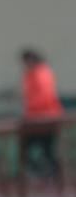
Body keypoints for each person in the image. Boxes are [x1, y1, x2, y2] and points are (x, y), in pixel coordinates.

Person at [20, 48, 64, 181]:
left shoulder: (41, 73)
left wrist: (33, 112)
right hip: (35, 118)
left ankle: (52, 174)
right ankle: (45, 172)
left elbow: (44, 97)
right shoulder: (29, 74)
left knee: (46, 148)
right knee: (33, 147)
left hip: (46, 117)